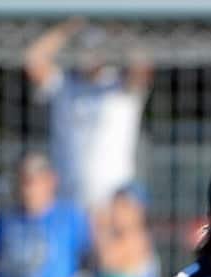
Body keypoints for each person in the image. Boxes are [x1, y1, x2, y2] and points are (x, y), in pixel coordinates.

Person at [24, 19, 152, 215]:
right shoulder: (63, 85)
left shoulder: (121, 87)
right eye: (84, 50)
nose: (89, 56)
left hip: (114, 204)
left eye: (95, 50)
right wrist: (70, 26)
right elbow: (33, 60)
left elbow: (143, 64)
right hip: (68, 202)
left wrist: (116, 28)